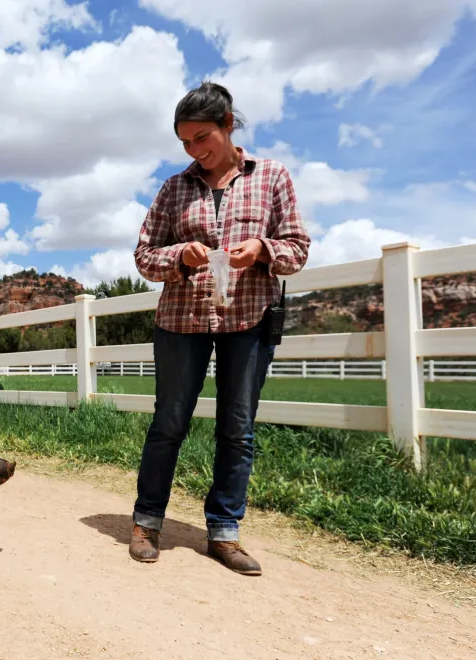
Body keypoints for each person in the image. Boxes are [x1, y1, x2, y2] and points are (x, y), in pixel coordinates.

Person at [130, 81, 311, 576]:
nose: (194, 150)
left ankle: (225, 532)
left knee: (238, 430)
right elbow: (145, 256)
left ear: (228, 124)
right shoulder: (174, 188)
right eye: (185, 142)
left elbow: (296, 247)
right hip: (180, 320)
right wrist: (179, 256)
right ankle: (147, 522)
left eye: (202, 137)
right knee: (168, 424)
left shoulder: (272, 177)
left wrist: (263, 251)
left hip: (248, 319)